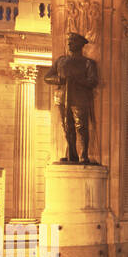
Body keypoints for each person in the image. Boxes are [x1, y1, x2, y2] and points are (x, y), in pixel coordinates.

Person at [43, 33, 100, 163]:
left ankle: (84, 155)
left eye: (72, 41)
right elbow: (47, 77)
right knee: (67, 127)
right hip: (62, 98)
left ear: (80, 44)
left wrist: (78, 80)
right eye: (69, 41)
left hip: (79, 98)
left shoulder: (87, 63)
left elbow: (93, 81)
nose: (69, 43)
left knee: (81, 127)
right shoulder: (61, 61)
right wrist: (60, 79)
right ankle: (72, 155)